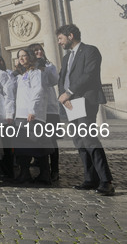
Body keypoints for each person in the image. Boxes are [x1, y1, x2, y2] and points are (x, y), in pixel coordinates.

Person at [57, 24, 114, 195]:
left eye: (61, 38)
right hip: (70, 103)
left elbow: (89, 74)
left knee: (89, 139)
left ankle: (106, 181)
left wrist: (69, 92)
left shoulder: (90, 51)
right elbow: (62, 79)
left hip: (85, 100)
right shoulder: (67, 58)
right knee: (79, 141)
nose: (59, 42)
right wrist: (63, 96)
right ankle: (90, 179)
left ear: (71, 35)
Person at [14, 48, 52, 185]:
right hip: (20, 115)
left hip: (31, 115)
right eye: (19, 57)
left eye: (24, 56)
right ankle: (25, 174)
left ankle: (45, 175)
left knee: (37, 144)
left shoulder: (36, 73)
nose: (22, 59)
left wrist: (33, 110)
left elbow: (38, 91)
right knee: (23, 146)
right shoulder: (23, 74)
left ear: (30, 57)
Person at [29, 42, 61, 181]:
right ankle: (42, 168)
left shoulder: (49, 66)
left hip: (50, 109)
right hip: (36, 109)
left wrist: (43, 69)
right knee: (38, 139)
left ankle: (55, 170)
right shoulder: (29, 68)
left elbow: (54, 81)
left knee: (52, 140)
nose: (39, 52)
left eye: (40, 50)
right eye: (35, 51)